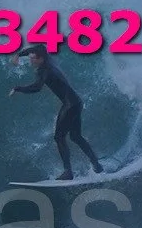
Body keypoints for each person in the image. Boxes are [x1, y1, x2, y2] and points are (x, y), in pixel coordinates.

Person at [12, 48, 105, 181]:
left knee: (59, 137)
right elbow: (38, 47)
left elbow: (37, 88)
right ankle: (97, 165)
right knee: (76, 136)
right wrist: (19, 54)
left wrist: (18, 88)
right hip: (76, 102)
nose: (30, 60)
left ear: (40, 59)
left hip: (69, 105)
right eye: (30, 58)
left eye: (33, 58)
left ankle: (68, 172)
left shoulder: (43, 70)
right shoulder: (48, 60)